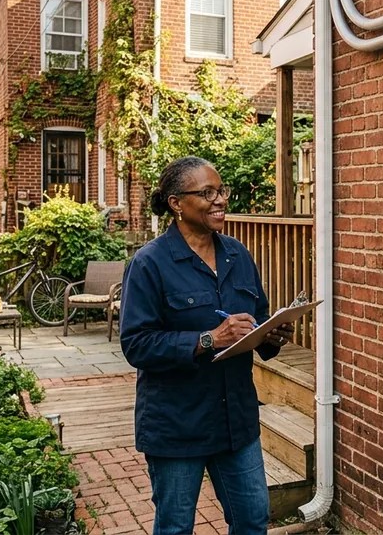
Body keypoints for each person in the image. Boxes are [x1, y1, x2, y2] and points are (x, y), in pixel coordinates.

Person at [119, 156, 292, 535]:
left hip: (236, 421)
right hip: (178, 424)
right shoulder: (149, 264)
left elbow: (258, 318)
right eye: (207, 193)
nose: (220, 200)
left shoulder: (237, 255)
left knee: (253, 520)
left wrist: (271, 335)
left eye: (221, 191)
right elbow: (136, 344)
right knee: (176, 527)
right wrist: (209, 339)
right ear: (176, 203)